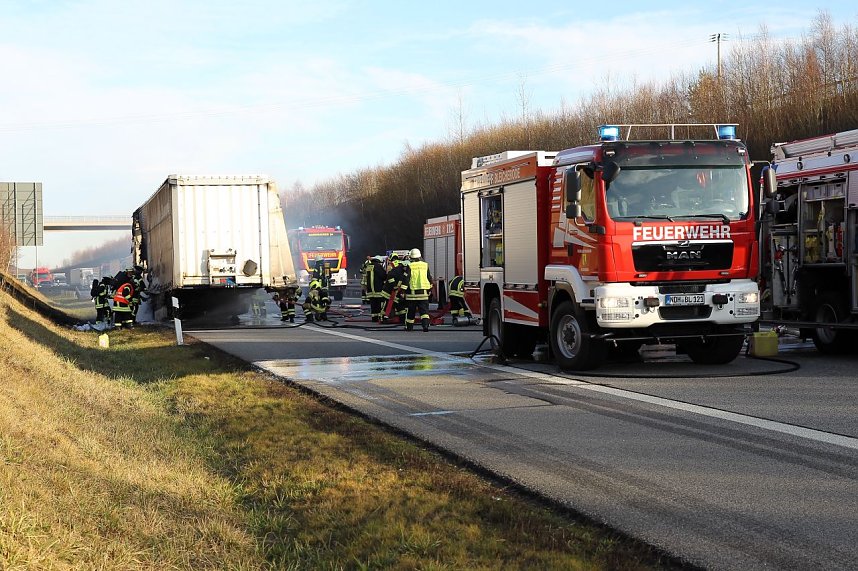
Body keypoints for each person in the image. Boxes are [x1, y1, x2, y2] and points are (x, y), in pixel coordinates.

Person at [405, 248, 432, 332]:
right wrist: (430, 288)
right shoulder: (425, 265)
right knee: (424, 312)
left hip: (412, 294)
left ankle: (409, 328)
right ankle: (425, 326)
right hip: (423, 293)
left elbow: (407, 279)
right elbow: (429, 277)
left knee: (411, 312)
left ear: (411, 257)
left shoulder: (410, 266)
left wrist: (403, 290)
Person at [381, 253, 409, 323]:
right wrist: (395, 286)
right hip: (388, 291)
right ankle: (383, 318)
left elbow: (405, 281)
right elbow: (390, 278)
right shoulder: (396, 270)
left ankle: (402, 318)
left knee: (399, 305)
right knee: (388, 305)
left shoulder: (403, 270)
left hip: (396, 291)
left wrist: (402, 291)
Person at [366, 256, 386, 322]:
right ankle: (380, 317)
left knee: (373, 304)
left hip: (370, 290)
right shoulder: (378, 266)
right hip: (377, 289)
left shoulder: (369, 266)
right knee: (379, 304)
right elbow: (383, 276)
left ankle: (374, 318)